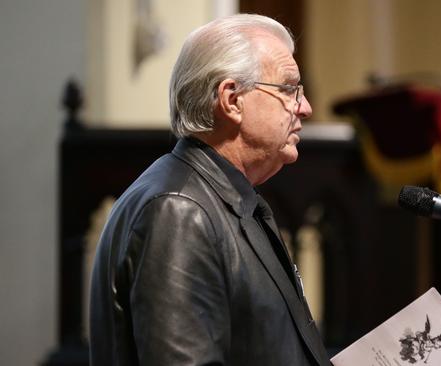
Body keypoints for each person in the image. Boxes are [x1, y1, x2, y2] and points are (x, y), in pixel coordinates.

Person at [89, 13, 330, 366]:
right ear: (232, 99)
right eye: (290, 89)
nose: (305, 108)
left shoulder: (222, 198)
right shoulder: (178, 211)